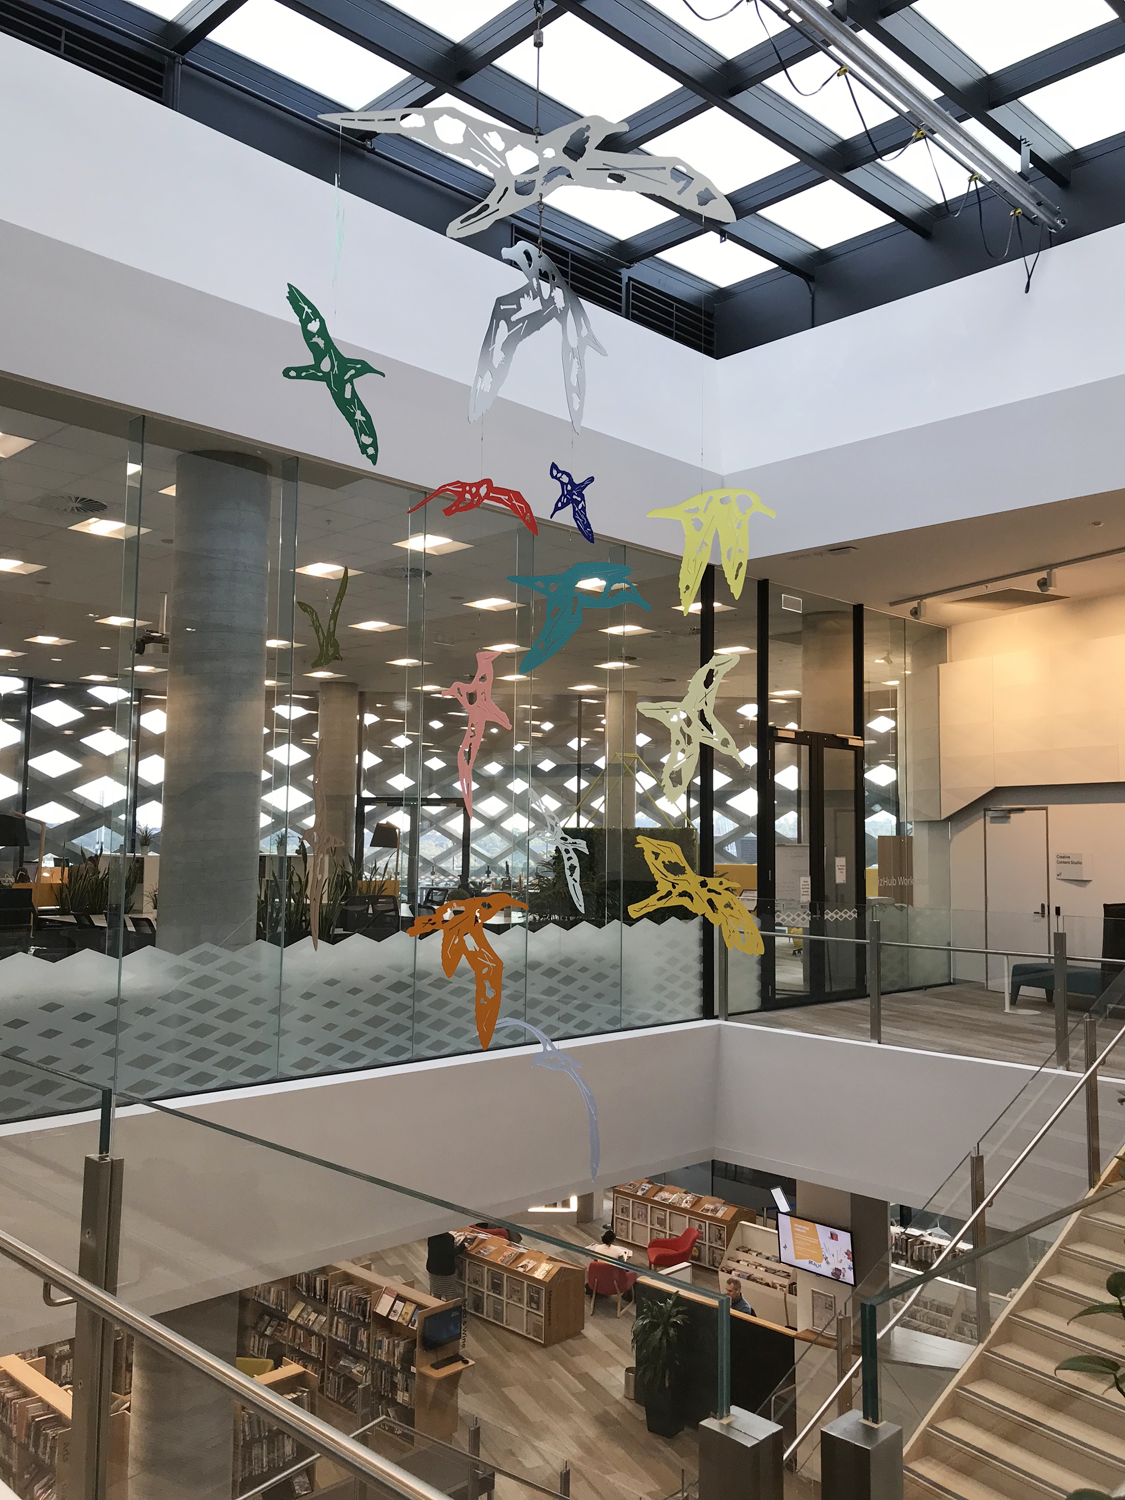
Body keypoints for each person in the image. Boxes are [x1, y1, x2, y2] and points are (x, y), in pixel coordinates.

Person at [426, 1232, 460, 1299]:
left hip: (433, 1267)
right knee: (449, 1292)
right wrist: (462, 1247)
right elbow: (452, 1252)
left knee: (436, 1292)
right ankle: (449, 1306)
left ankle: (436, 1305)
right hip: (446, 1269)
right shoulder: (448, 1238)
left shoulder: (432, 1236)